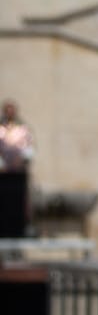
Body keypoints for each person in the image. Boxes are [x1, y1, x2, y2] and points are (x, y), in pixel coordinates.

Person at [0, 100, 35, 239]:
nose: (10, 113)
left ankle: (18, 229)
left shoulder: (23, 129)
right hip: (2, 174)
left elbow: (28, 148)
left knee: (17, 203)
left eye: (12, 110)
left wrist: (24, 159)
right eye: (7, 110)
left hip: (18, 174)